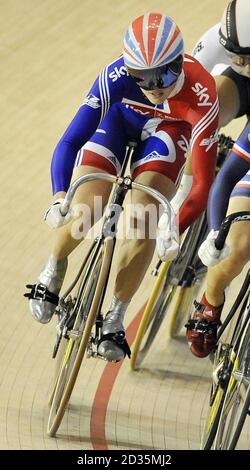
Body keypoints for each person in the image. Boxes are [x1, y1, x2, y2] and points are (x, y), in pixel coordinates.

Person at [25, 12, 219, 362]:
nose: (155, 85)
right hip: (119, 121)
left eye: (165, 73)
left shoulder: (202, 91)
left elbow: (202, 184)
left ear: (180, 62)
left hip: (167, 132)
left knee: (144, 217)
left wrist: (175, 225)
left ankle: (115, 316)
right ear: (129, 71)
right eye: (142, 77)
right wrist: (59, 195)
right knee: (86, 209)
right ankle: (54, 267)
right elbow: (70, 140)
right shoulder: (114, 77)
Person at [182, 0, 250, 358]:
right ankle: (209, 302)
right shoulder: (218, 41)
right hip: (239, 88)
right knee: (205, 113)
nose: (246, 66)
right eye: (239, 56)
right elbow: (187, 93)